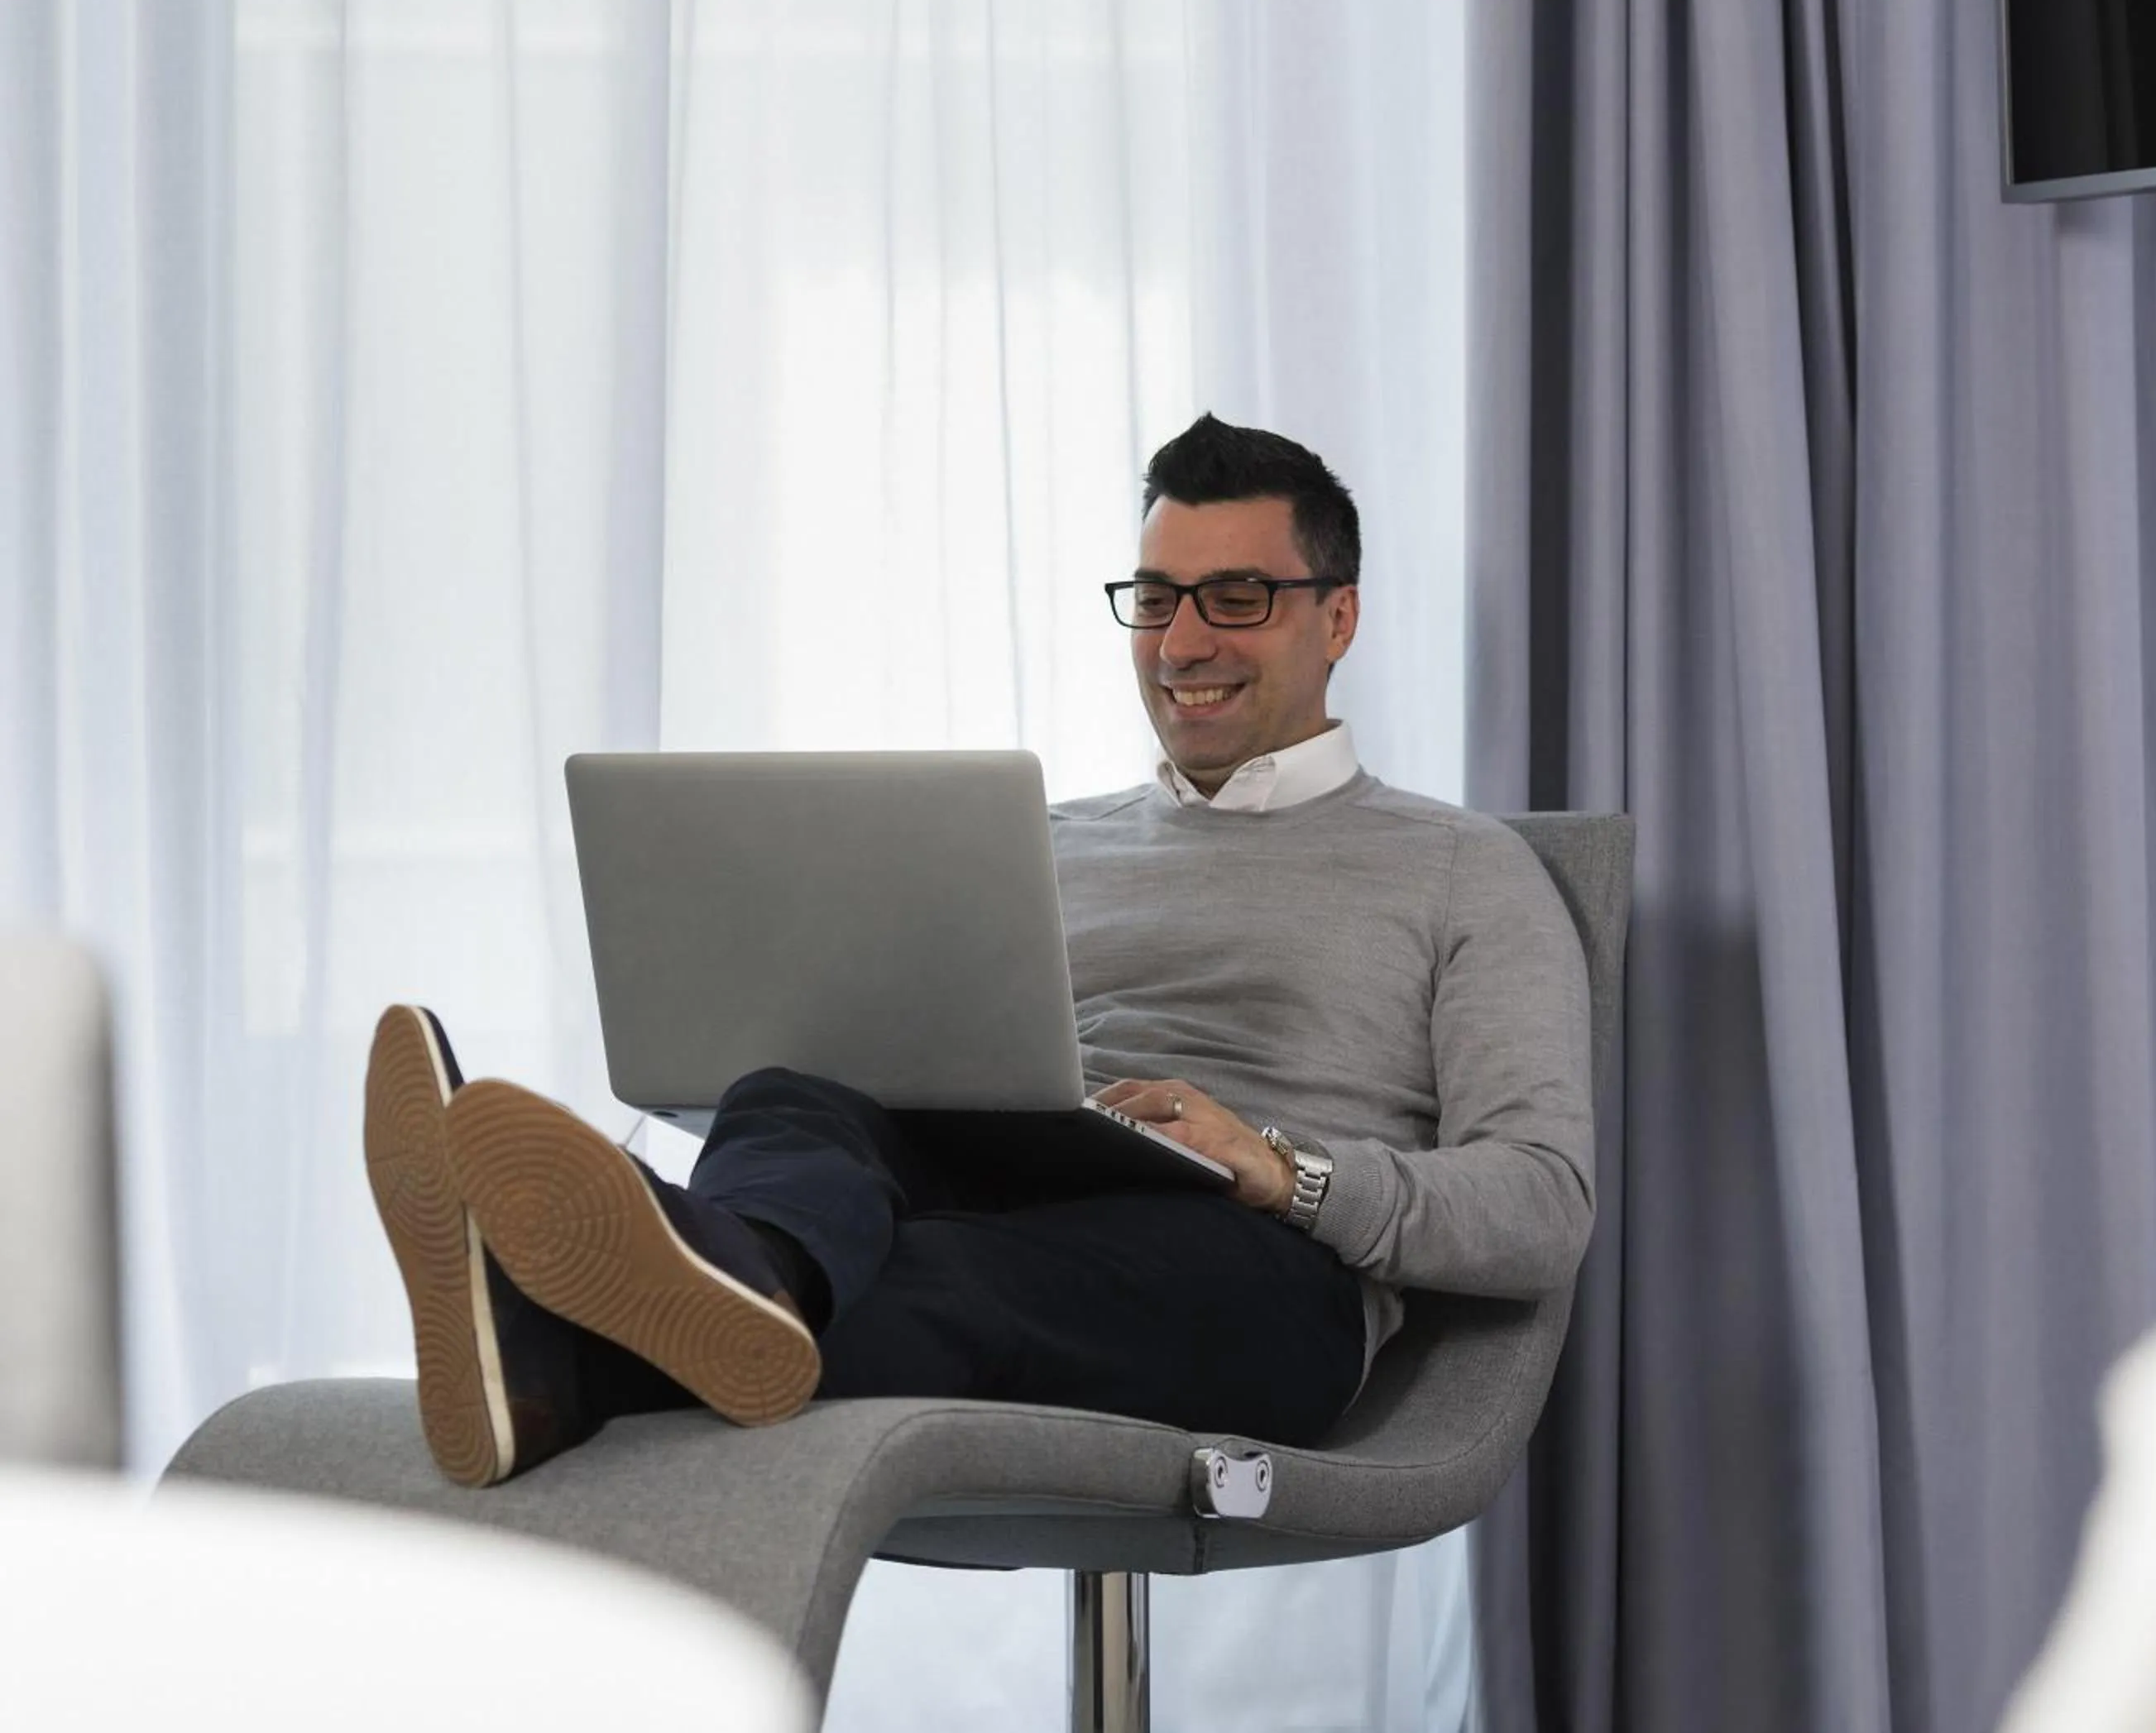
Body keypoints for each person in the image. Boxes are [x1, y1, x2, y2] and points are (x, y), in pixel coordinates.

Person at [365, 414, 1596, 1488]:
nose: (1181, 642)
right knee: (799, 1088)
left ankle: (559, 1324)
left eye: (1235, 598)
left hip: (1255, 1271)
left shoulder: (1464, 866)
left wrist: (1286, 1169)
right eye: (1156, 597)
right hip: (1002, 1184)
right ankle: (714, 1277)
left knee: (949, 1273)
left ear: (1339, 616)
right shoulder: (1033, 842)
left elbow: (1544, 1203)